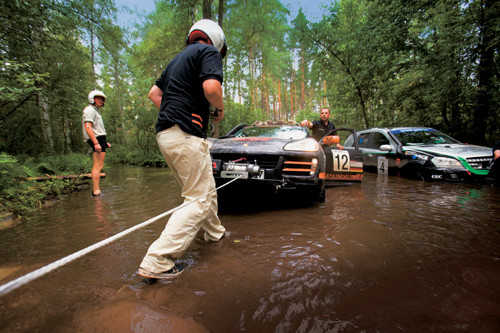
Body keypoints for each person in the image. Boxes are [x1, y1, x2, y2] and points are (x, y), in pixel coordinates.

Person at [138, 19, 228, 280]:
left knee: (204, 190)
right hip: (186, 133)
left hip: (166, 134)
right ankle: (158, 261)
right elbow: (211, 88)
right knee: (198, 199)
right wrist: (219, 110)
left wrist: (173, 112)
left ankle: (215, 233)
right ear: (216, 40)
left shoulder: (176, 60)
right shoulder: (208, 51)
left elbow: (154, 94)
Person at [82, 90, 111, 197]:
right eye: (98, 98)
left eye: (102, 99)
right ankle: (96, 190)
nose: (101, 101)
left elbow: (96, 128)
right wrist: (96, 143)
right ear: (92, 98)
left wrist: (104, 142)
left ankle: (96, 189)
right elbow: (88, 127)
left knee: (99, 165)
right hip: (97, 140)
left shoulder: (95, 111)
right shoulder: (89, 110)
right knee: (98, 166)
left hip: (100, 139)